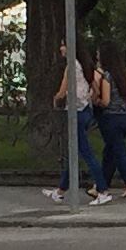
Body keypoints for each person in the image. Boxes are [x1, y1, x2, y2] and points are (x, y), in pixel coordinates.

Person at [91, 58, 126, 203]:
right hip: (125, 118)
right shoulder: (124, 76)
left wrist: (95, 100)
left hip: (111, 119)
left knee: (120, 154)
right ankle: (100, 186)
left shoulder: (107, 76)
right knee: (111, 153)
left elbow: (106, 101)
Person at [50, 45, 100, 204]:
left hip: (75, 113)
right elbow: (96, 89)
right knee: (75, 153)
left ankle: (102, 188)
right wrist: (89, 99)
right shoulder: (84, 65)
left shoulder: (71, 67)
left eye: (63, 44)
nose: (60, 49)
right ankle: (60, 190)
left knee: (86, 153)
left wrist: (56, 100)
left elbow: (63, 91)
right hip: (85, 110)